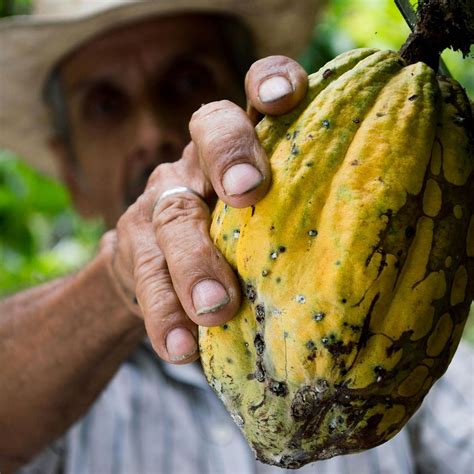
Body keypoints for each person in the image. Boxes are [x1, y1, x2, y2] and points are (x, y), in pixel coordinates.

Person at [0, 1, 472, 473]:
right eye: (105, 105)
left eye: (187, 81)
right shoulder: (56, 400)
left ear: (256, 107)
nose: (151, 132)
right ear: (70, 173)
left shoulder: (398, 320)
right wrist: (121, 281)